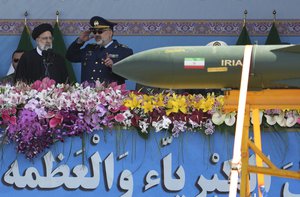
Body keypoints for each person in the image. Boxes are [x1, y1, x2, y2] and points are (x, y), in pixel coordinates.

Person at [66, 16, 133, 84]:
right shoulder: (89, 48)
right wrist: (80, 41)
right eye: (94, 32)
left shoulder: (124, 51)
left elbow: (129, 75)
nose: (97, 34)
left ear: (110, 33)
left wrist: (114, 67)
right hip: (87, 93)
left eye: (100, 31)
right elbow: (70, 56)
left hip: (110, 93)